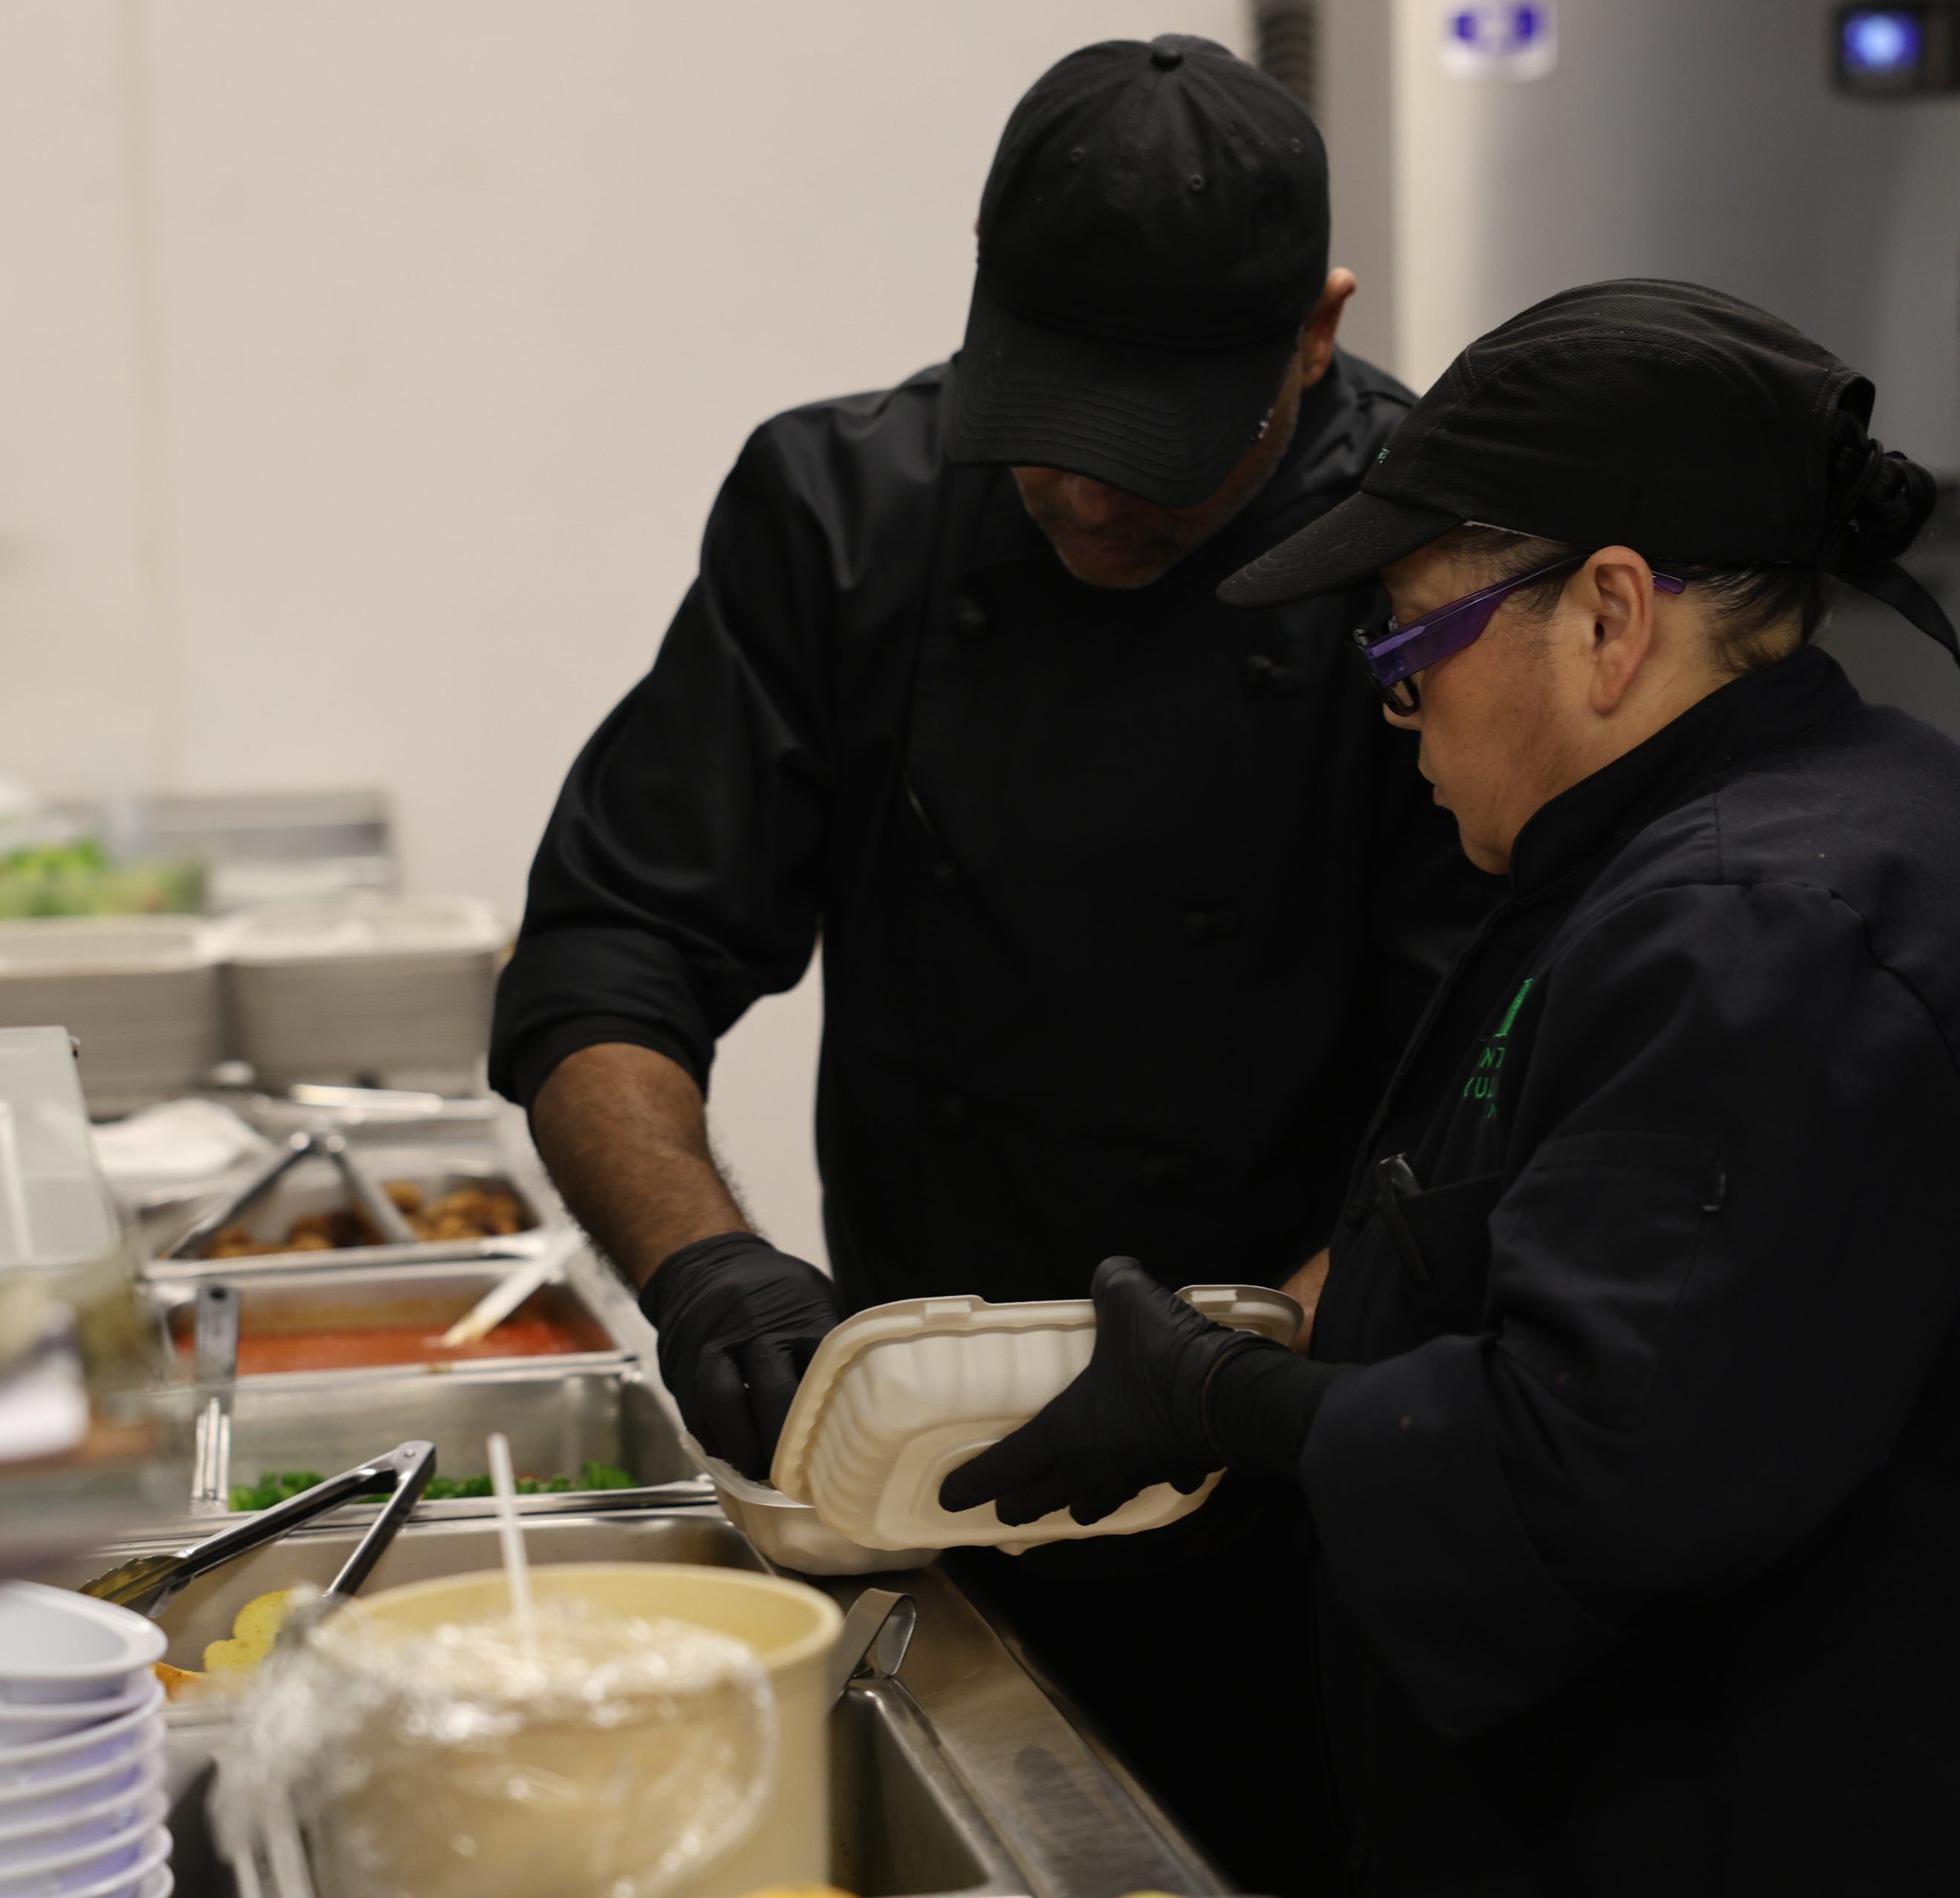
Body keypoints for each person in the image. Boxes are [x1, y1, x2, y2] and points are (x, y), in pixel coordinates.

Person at [944, 278, 1960, 1891]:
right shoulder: (1776, 818)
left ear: (1607, 614)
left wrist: (1223, 1401)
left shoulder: (1767, 925)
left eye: (1414, 638)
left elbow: (1593, 1465)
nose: (1401, 700)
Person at [490, 36, 1493, 1894]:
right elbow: (610, 951)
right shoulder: (840, 513)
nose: (1096, 500)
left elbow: (1504, 1102)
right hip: (921, 1494)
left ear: (1313, 329)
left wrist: (1220, 1383)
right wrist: (706, 1266)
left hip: (1327, 1508)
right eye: (1051, 428)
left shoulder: (1441, 575)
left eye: (1163, 459)